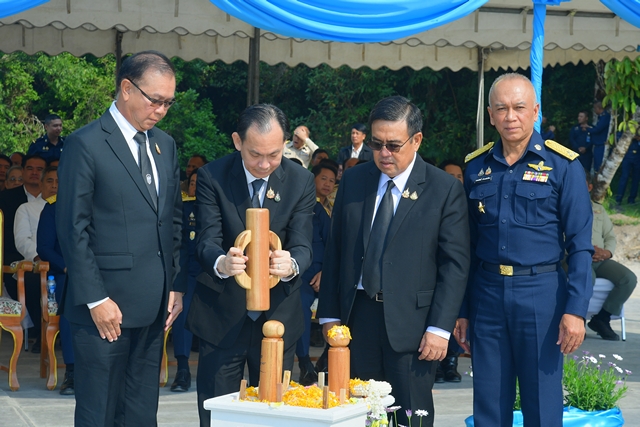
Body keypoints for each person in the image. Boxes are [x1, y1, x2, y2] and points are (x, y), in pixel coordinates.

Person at [318, 96, 470, 427]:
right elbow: (336, 251)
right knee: (358, 414)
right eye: (377, 144)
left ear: (417, 140)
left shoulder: (443, 189)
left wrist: (439, 328)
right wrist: (329, 315)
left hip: (413, 327)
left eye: (393, 145)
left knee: (409, 416)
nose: (384, 153)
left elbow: (454, 266)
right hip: (357, 320)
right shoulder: (355, 180)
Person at [56, 50, 184, 427]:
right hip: (104, 310)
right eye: (155, 100)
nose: (161, 110)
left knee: (141, 415)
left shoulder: (164, 145)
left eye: (168, 102)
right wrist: (96, 298)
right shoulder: (86, 143)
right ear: (127, 89)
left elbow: (172, 220)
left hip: (154, 308)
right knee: (99, 413)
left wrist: (174, 284)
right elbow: (73, 228)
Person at [458, 73, 593, 427]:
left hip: (541, 295)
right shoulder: (476, 167)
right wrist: (462, 310)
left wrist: (576, 310)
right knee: (488, 402)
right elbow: (466, 247)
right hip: (487, 295)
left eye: (519, 107)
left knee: (542, 403)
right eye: (501, 108)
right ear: (490, 115)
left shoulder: (563, 166)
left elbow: (580, 246)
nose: (510, 117)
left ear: (535, 111)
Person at [186, 103, 315, 426]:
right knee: (218, 415)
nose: (264, 164)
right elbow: (206, 240)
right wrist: (222, 262)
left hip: (278, 319)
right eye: (255, 154)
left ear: (285, 144)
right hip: (222, 316)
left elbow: (303, 244)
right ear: (237, 141)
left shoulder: (300, 180)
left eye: (274, 154)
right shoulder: (212, 176)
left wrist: (291, 263)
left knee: (275, 415)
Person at [37, 174, 76, 395]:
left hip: (100, 272)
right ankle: (72, 372)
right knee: (71, 305)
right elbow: (44, 247)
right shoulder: (54, 208)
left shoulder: (100, 204)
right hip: (66, 274)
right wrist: (66, 266)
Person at [586, 174, 637, 340]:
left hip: (600, 258)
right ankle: (577, 319)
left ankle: (602, 319)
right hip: (576, 257)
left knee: (628, 279)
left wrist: (607, 252)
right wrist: (584, 251)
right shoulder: (564, 207)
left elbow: (610, 236)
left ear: (590, 187)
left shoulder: (598, 210)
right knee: (586, 278)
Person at [296, 162, 334, 386]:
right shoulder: (296, 206)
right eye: (323, 178)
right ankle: (304, 363)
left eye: (332, 180)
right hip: (299, 277)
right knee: (300, 304)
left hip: (322, 275)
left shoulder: (322, 210)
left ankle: (329, 357)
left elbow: (334, 246)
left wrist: (325, 273)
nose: (327, 184)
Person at [170, 172, 201, 392]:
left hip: (215, 275)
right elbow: (178, 248)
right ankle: (182, 369)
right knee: (181, 310)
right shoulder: (184, 210)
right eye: (192, 183)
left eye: (200, 184)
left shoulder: (219, 208)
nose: (196, 188)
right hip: (188, 274)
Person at [14, 166, 58, 263]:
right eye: (49, 181)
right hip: (37, 263)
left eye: (58, 182)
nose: (54, 186)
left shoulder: (70, 210)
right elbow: (22, 240)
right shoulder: (26, 208)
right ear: (41, 184)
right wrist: (39, 257)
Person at [615, 128, 640, 206]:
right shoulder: (627, 126)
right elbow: (618, 136)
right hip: (627, 154)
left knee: (636, 179)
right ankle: (619, 198)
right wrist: (631, 137)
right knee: (624, 177)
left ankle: (632, 199)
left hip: (638, 156)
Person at [591, 101, 611, 172]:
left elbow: (598, 129)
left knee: (600, 165)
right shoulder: (600, 117)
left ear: (598, 108)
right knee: (596, 165)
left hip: (602, 144)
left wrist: (588, 129)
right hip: (598, 144)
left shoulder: (605, 117)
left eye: (595, 108)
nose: (594, 110)